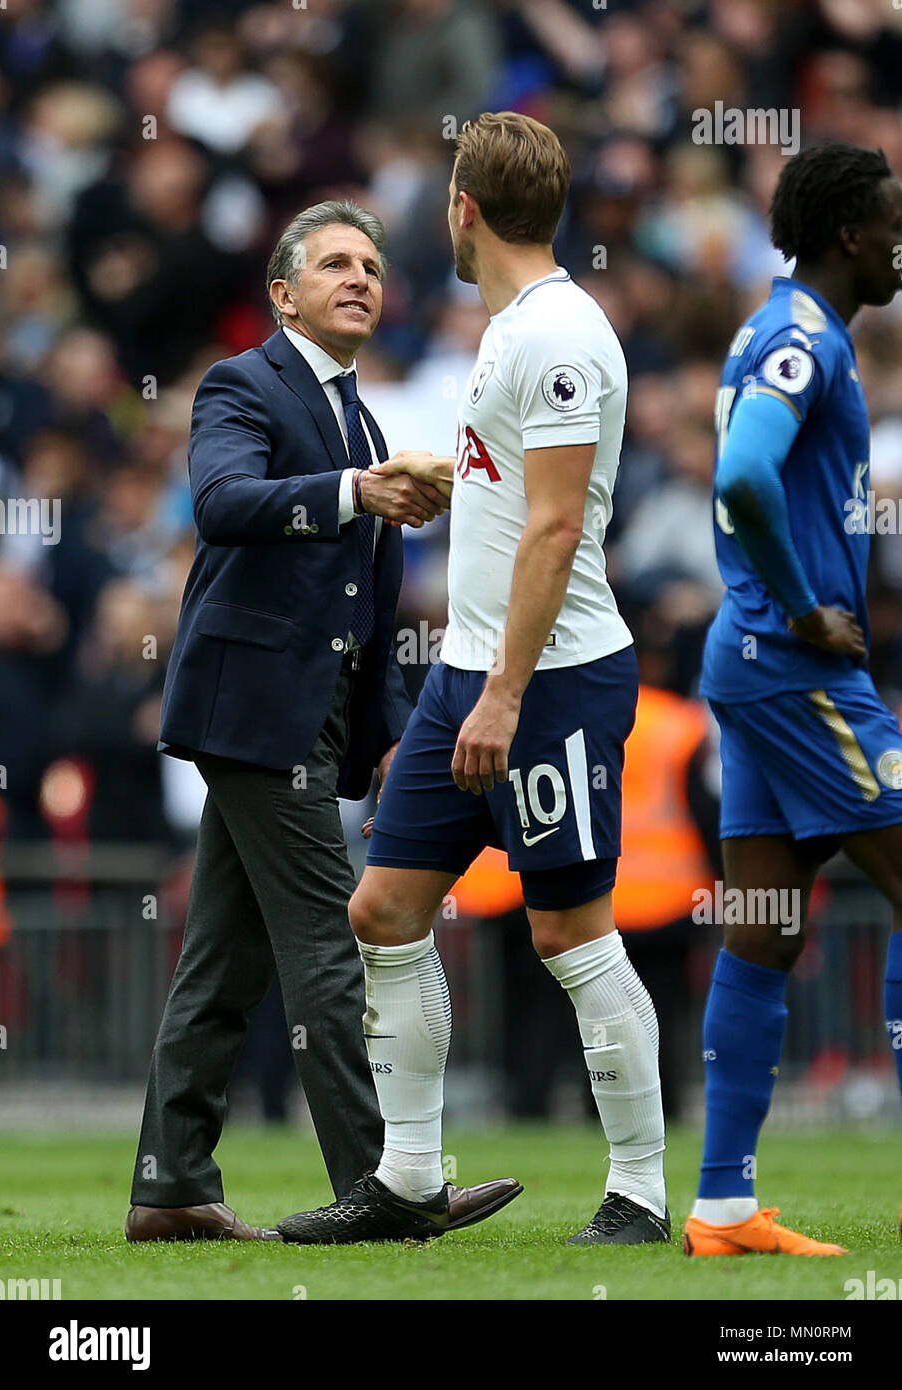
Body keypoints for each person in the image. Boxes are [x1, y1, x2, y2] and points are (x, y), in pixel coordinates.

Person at [278, 113, 669, 1247]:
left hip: (548, 679)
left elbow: (555, 532)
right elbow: (524, 498)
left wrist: (501, 692)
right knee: (386, 909)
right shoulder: (511, 329)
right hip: (472, 671)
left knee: (570, 933)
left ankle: (641, 1190)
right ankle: (405, 1179)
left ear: (462, 207)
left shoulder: (554, 332)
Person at [126, 200, 507, 1241]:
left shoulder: (368, 420)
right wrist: (352, 489)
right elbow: (220, 503)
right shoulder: (242, 384)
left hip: (316, 720)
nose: (362, 277)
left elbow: (371, 604)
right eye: (336, 262)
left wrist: (384, 732)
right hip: (255, 713)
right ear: (283, 293)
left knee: (221, 965)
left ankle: (170, 1192)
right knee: (331, 945)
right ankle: (390, 1183)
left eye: (374, 265)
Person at [683, 142, 902, 1258]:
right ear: (851, 233)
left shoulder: (782, 328)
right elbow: (740, 477)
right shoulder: (804, 338)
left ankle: (722, 1207)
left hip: (751, 660)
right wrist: (804, 601)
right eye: (894, 217)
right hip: (793, 658)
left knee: (763, 930)